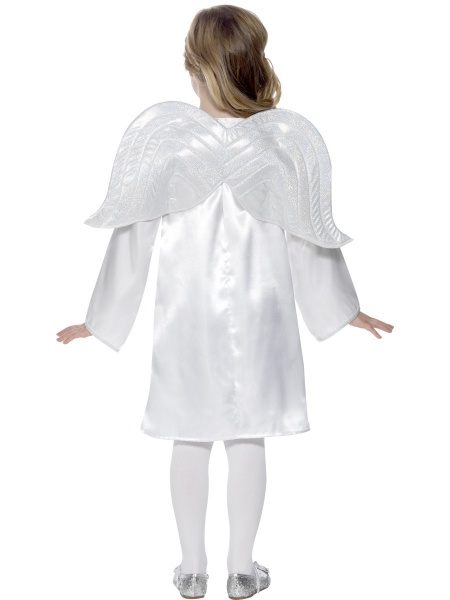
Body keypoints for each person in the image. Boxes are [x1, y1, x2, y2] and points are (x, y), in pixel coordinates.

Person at [56, 5, 394, 599]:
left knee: (189, 433)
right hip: (260, 316)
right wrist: (344, 308)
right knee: (247, 435)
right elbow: (307, 237)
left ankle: (192, 570)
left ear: (193, 68)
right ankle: (242, 569)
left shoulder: (168, 142)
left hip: (187, 317)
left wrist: (99, 318)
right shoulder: (280, 145)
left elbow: (133, 235)